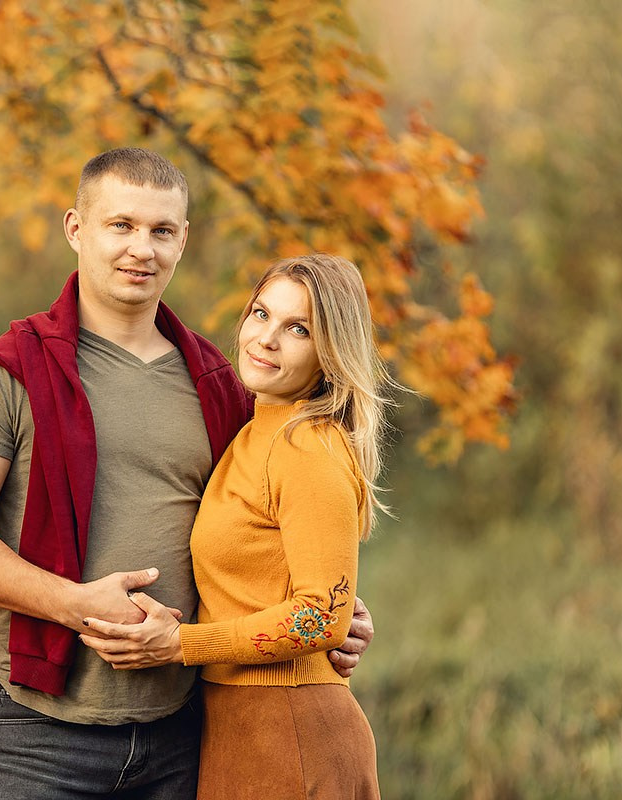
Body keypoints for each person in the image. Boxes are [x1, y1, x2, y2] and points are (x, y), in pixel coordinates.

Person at [0, 148, 374, 799]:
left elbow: (269, 523)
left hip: (186, 733)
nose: (142, 248)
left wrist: (333, 609)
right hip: (44, 736)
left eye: (161, 230)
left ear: (182, 240)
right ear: (77, 229)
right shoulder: (8, 374)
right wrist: (74, 605)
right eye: (121, 225)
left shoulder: (221, 383)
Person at [79, 254, 388, 799]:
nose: (267, 338)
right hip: (236, 726)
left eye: (298, 329)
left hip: (291, 730)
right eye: (261, 314)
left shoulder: (306, 446)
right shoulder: (250, 431)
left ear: (329, 353)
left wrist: (180, 644)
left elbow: (322, 617)